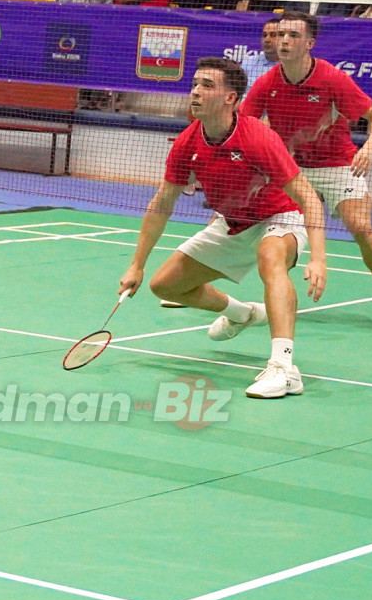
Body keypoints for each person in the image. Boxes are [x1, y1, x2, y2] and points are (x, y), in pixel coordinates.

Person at [117, 57, 327, 400]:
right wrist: (137, 265)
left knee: (271, 257)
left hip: (279, 216)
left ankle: (284, 368)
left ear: (230, 98)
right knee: (165, 285)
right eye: (195, 84)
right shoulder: (188, 142)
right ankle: (243, 314)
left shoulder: (257, 138)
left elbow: (308, 198)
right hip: (232, 222)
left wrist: (317, 258)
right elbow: (162, 203)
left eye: (207, 85)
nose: (196, 92)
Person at [244, 13, 372, 329]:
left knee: (361, 227)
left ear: (309, 43)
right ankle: (196, 280)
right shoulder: (267, 82)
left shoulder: (332, 78)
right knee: (251, 224)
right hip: (292, 168)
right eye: (280, 35)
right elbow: (244, 124)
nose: (284, 41)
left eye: (293, 35)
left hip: (337, 164)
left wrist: (368, 148)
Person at [242, 15, 282, 90]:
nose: (267, 40)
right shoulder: (248, 63)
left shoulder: (290, 66)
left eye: (273, 35)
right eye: (264, 35)